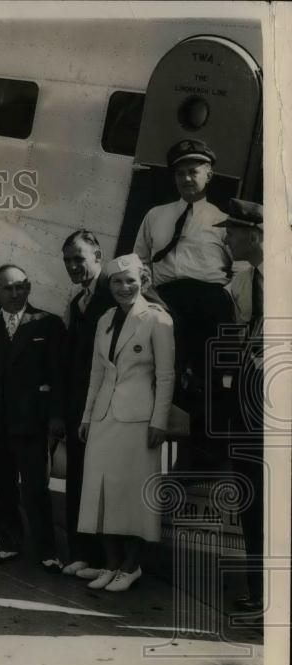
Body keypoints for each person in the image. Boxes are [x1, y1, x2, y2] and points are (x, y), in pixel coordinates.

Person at [78, 254, 175, 592]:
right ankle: (110, 563)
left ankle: (131, 566)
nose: (123, 287)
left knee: (130, 493)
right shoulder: (105, 317)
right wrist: (88, 416)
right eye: (117, 282)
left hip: (138, 419)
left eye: (130, 281)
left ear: (143, 282)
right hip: (104, 416)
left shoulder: (157, 319)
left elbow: (165, 376)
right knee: (99, 491)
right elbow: (96, 373)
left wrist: (159, 421)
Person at [133, 139, 232, 462]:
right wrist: (151, 298)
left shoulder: (224, 221)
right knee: (161, 376)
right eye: (180, 173)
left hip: (209, 307)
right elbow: (140, 261)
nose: (187, 179)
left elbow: (238, 271)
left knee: (207, 385)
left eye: (194, 172)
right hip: (165, 301)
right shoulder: (156, 216)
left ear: (209, 175)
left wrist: (220, 304)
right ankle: (150, 455)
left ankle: (201, 461)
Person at [0, 264, 65, 570]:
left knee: (35, 488)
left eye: (20, 287)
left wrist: (55, 416)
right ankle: (10, 541)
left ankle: (48, 550)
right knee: (2, 485)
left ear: (29, 288)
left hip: (30, 422)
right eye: (7, 288)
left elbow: (59, 375)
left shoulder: (48, 324)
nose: (14, 293)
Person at [217, 199, 265, 613]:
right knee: (252, 497)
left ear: (254, 234)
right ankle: (259, 590)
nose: (226, 238)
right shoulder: (244, 280)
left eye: (231, 231)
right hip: (248, 407)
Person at [59, 230, 115, 578]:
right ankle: (82, 553)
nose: (73, 266)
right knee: (78, 476)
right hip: (79, 403)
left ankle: (104, 559)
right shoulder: (78, 299)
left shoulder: (116, 290)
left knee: (101, 481)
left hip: (107, 403)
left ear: (97, 255)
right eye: (67, 260)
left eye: (79, 258)